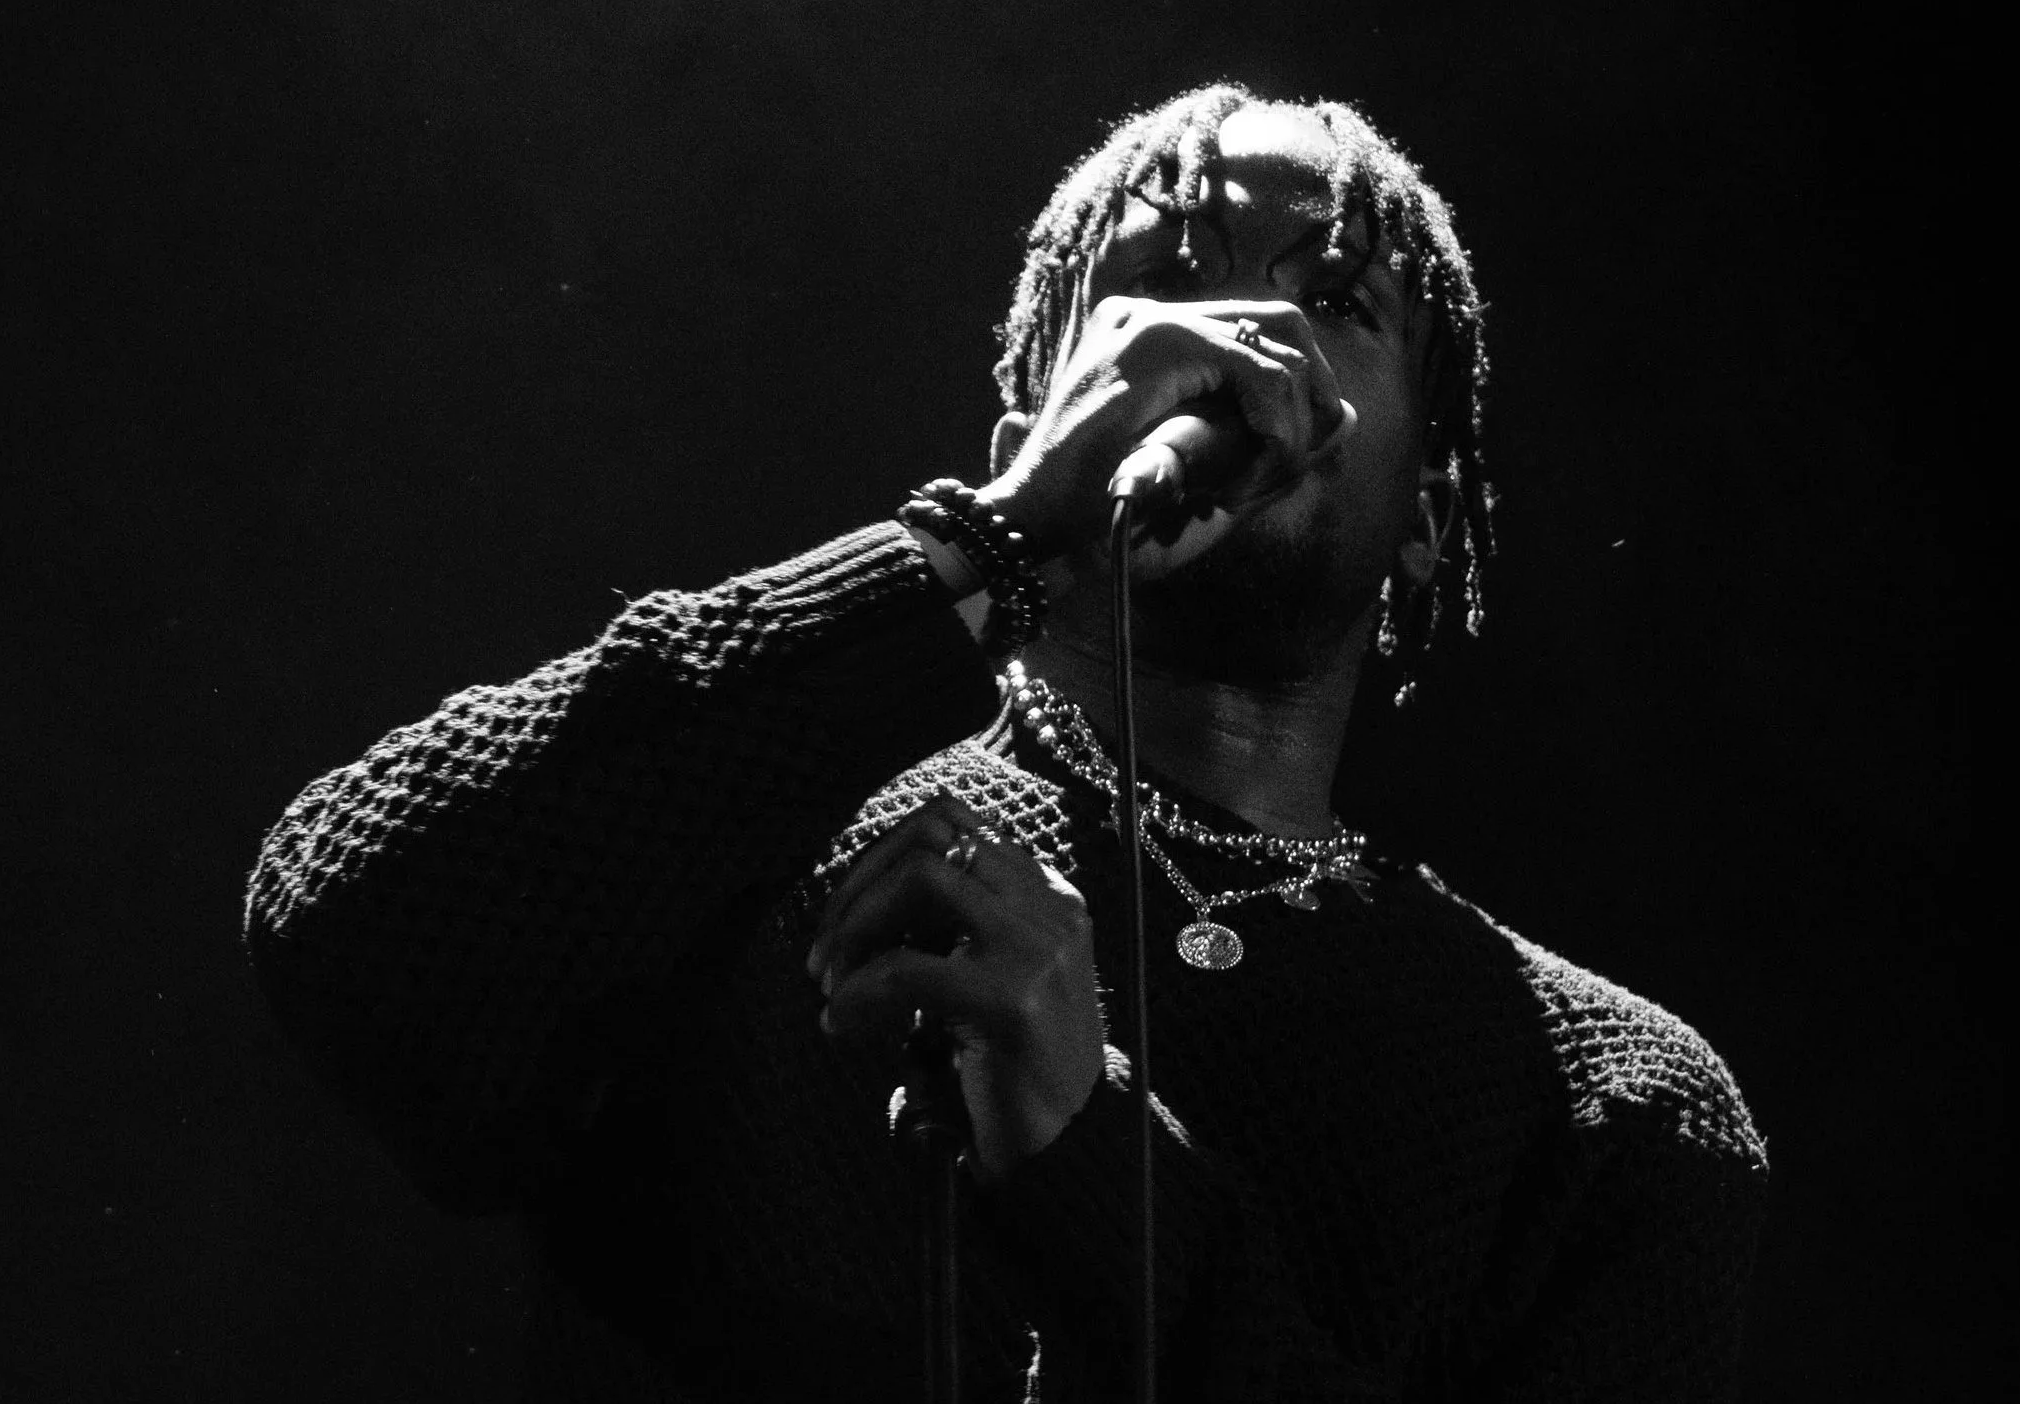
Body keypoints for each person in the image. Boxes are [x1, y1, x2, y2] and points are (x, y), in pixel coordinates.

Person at [244, 84, 1768, 1400]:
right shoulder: (755, 819)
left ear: (1430, 522)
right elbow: (353, 919)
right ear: (1042, 417)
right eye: (1161, 279)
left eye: (1332, 296)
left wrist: (1092, 1161)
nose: (1232, 329)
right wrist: (986, 547)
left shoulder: (1608, 1101)